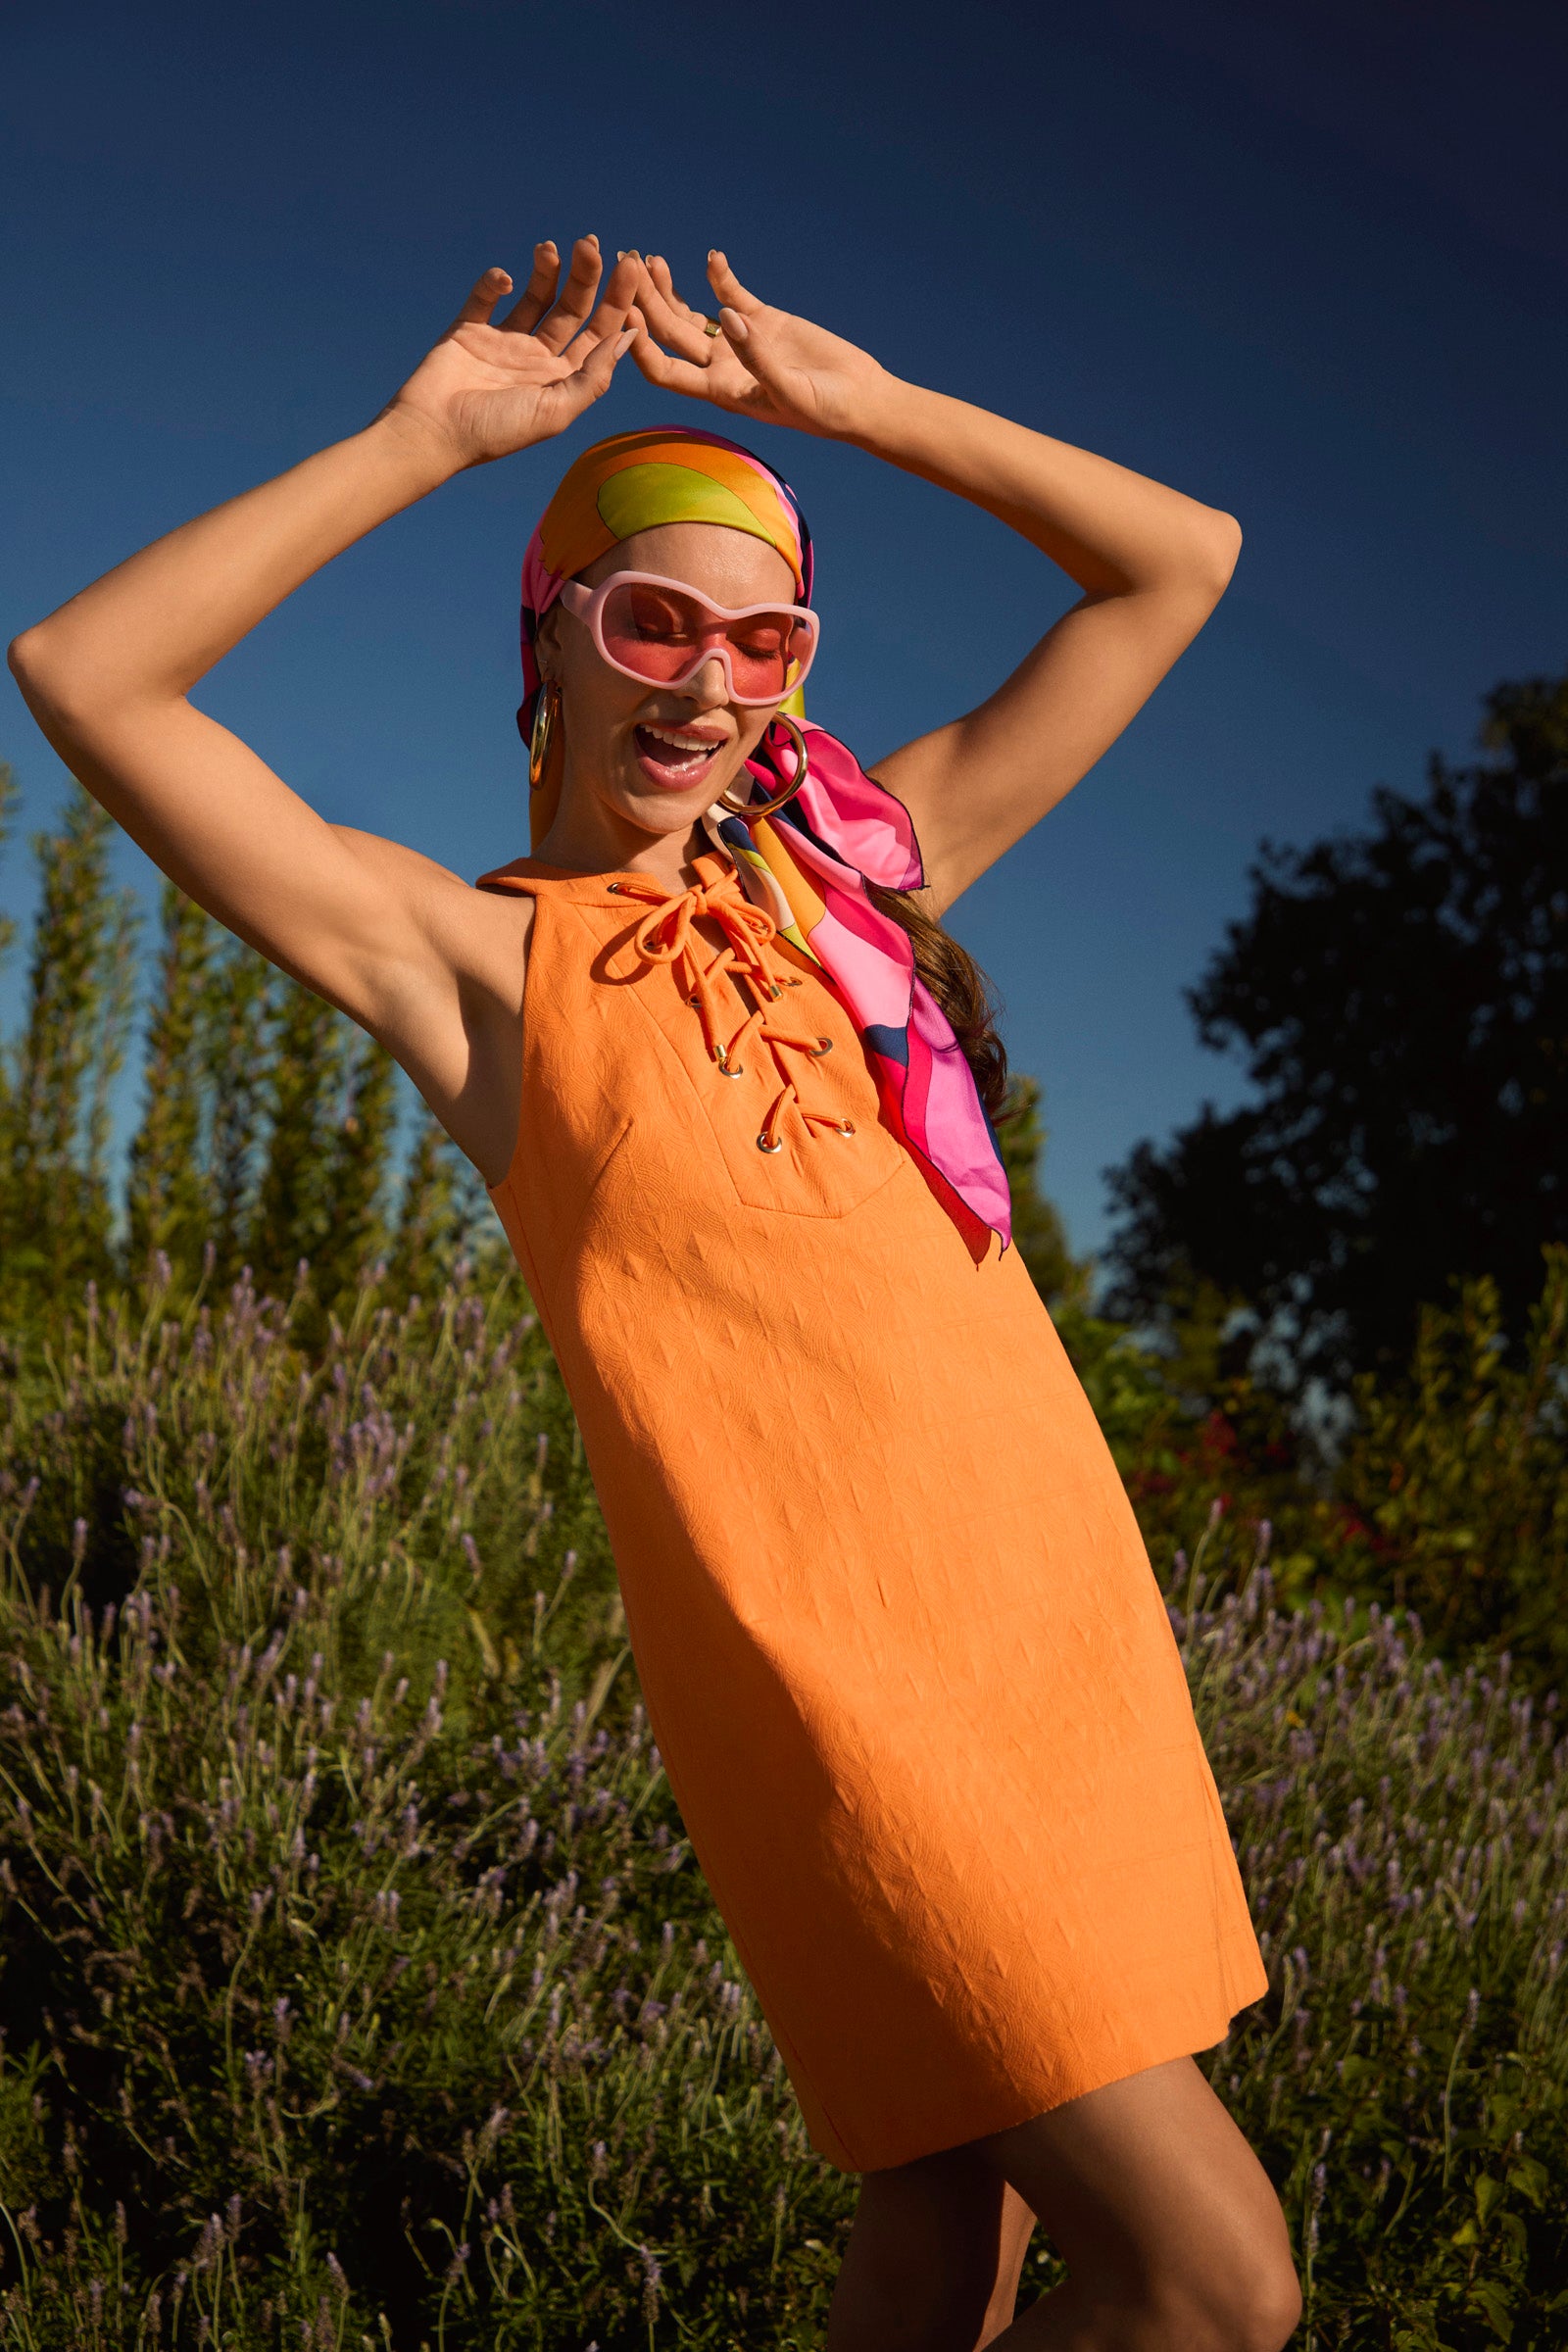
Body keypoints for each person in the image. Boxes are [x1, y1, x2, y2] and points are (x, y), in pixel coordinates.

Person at [9, 235, 1301, 2352]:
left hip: (1054, 1641)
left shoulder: (852, 893)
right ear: (550, 642)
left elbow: (1180, 562)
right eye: (651, 622)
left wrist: (865, 411)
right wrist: (422, 442)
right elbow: (87, 672)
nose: (708, 685)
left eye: (764, 639)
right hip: (850, 1707)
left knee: (940, 2251)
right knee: (1212, 2285)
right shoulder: (482, 969)